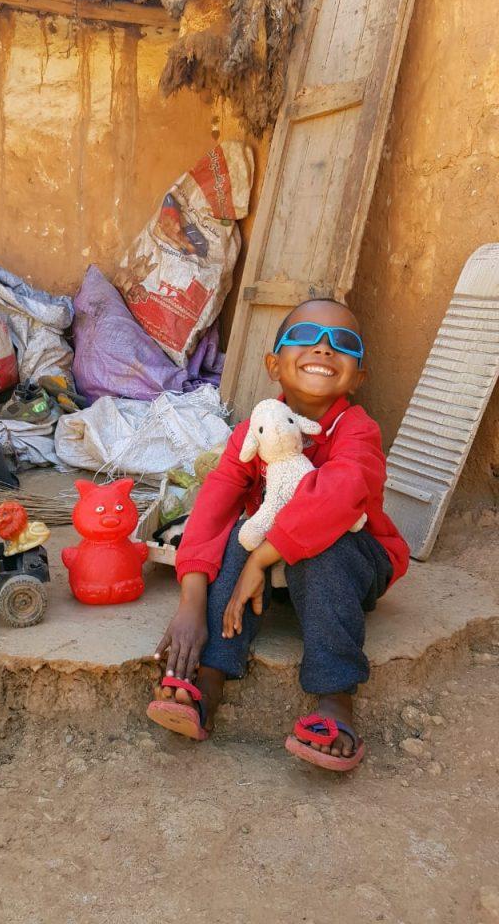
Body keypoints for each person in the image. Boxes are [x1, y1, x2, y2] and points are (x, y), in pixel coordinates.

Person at [147, 299, 409, 771]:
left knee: (324, 549)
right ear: (274, 364)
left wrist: (261, 559)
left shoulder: (357, 430)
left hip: (354, 561)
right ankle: (208, 680)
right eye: (306, 338)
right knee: (236, 532)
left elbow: (338, 497)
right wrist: (190, 600)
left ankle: (334, 699)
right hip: (277, 564)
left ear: (358, 376)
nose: (324, 349)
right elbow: (214, 503)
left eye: (342, 344)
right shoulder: (254, 429)